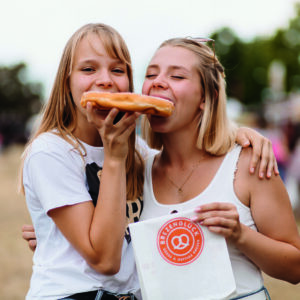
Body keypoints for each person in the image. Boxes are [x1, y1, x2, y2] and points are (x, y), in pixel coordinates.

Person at [20, 23, 278, 299]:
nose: (105, 79)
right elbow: (105, 261)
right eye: (88, 69)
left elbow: (185, 157)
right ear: (65, 81)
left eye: (118, 70)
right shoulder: (51, 151)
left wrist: (239, 133)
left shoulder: (140, 154)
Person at [139, 37, 300, 299]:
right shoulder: (135, 171)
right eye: (150, 74)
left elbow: (296, 268)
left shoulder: (249, 164)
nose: (157, 81)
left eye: (177, 76)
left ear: (207, 97)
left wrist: (240, 235)